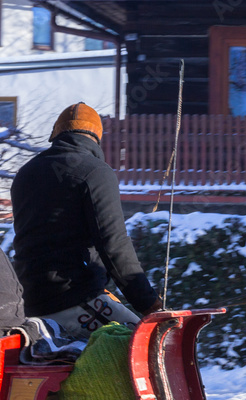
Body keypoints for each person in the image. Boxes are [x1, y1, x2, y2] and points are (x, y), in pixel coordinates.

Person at [10, 102, 161, 340]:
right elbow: (114, 245)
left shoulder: (25, 174)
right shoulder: (95, 171)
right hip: (72, 297)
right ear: (96, 138)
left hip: (27, 302)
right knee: (155, 343)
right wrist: (149, 304)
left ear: (56, 135)